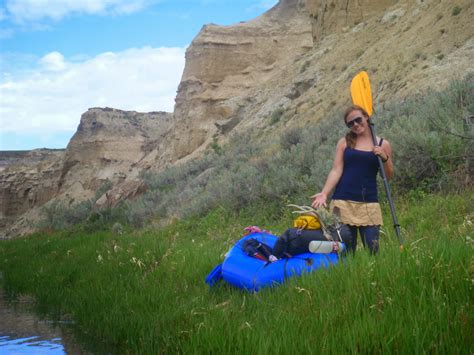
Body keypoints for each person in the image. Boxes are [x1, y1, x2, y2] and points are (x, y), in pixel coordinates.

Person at [311, 105, 393, 254]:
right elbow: (336, 170)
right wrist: (324, 193)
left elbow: (387, 177)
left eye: (358, 120)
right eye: (350, 123)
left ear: (366, 117)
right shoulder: (344, 142)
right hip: (343, 202)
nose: (355, 124)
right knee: (346, 251)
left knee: (373, 249)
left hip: (369, 204)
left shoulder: (383, 145)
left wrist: (384, 158)